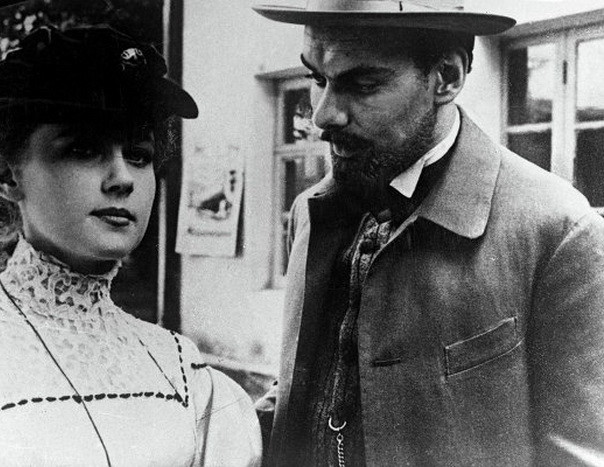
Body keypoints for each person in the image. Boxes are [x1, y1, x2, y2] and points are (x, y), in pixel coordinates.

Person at [253, 1, 604, 465]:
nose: (322, 115)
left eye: (362, 84)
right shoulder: (310, 212)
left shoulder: (560, 233)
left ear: (447, 77)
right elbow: (311, 388)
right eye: (317, 78)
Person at [0, 25, 261, 466]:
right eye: (84, 150)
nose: (123, 178)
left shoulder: (181, 372)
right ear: (6, 176)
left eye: (139, 155)